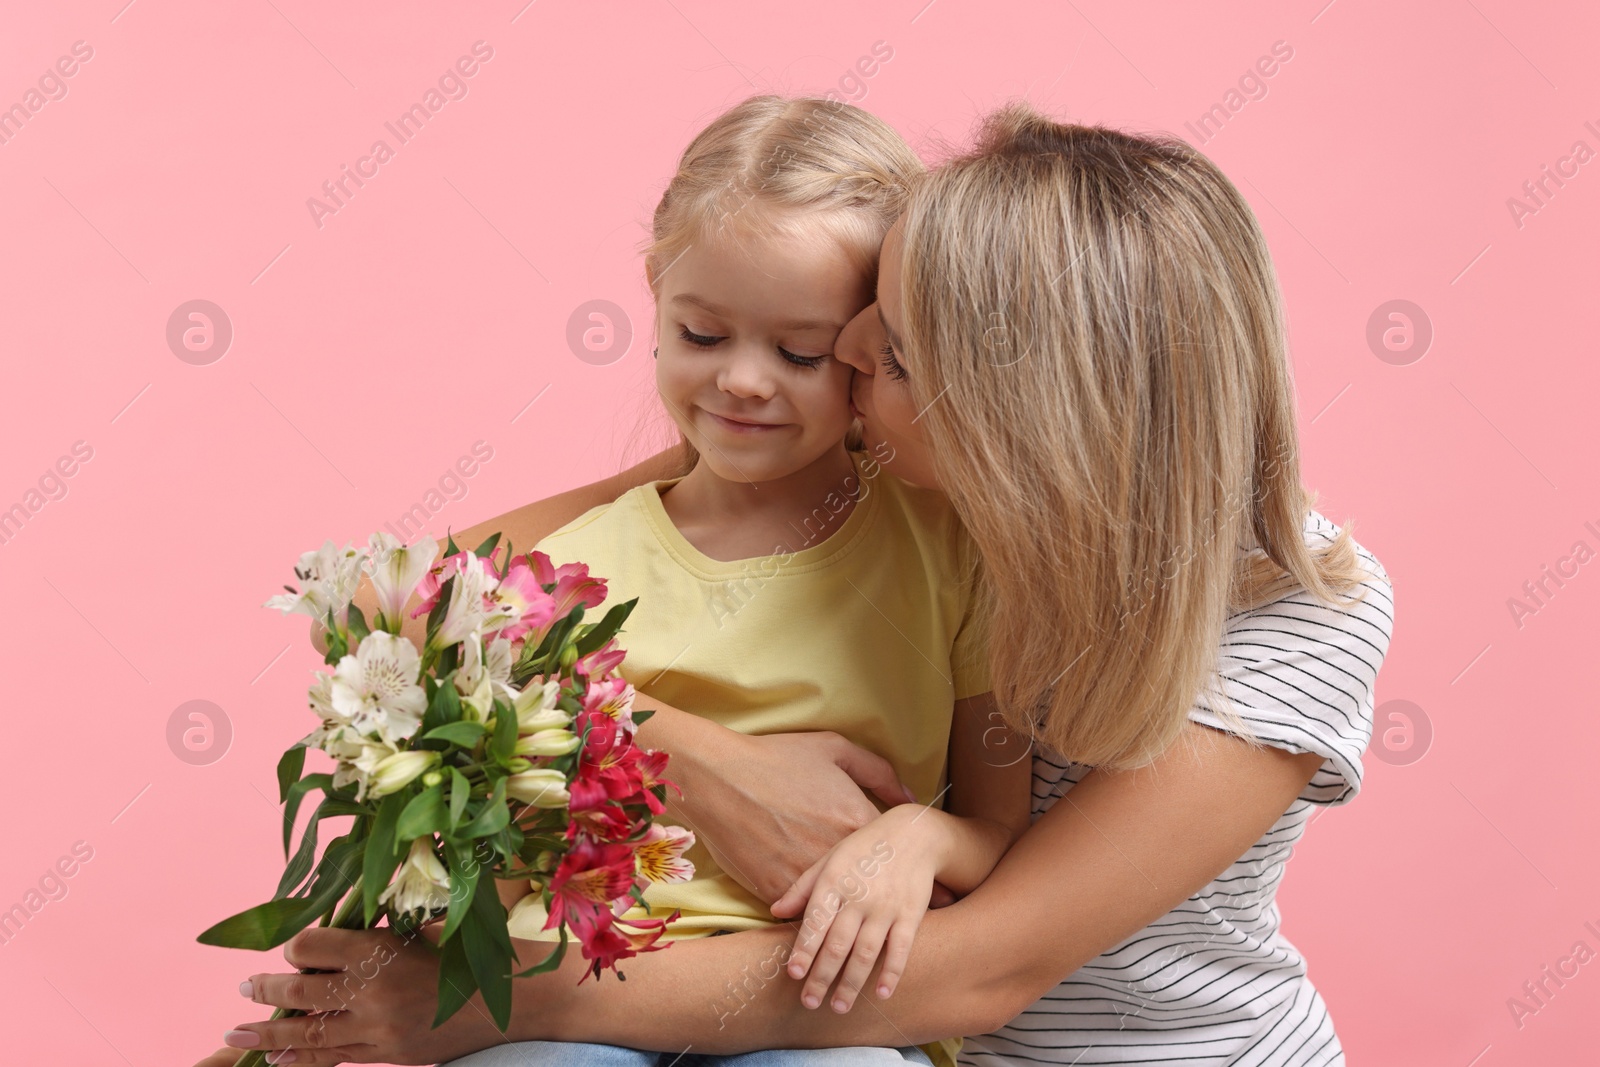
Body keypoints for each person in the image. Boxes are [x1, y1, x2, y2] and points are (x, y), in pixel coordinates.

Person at [200, 99, 1392, 1067]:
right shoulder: (940, 488)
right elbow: (398, 598)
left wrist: (498, 1000)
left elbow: (978, 966)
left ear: (1020, 414)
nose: (851, 370)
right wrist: (682, 732)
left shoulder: (1288, 616)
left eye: (880, 354)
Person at [487, 95, 1029, 1067]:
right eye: (701, 334)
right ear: (655, 292)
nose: (742, 381)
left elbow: (997, 831)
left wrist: (919, 839)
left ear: (878, 344)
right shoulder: (565, 564)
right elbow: (384, 620)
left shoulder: (949, 547)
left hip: (828, 1001)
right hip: (581, 986)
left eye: (798, 352)